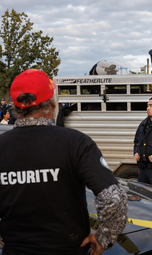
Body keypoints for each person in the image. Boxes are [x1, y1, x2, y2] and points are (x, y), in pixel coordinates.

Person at [0, 69, 128, 255]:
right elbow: (113, 199)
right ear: (51, 105)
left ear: (16, 108)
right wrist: (104, 238)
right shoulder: (75, 142)